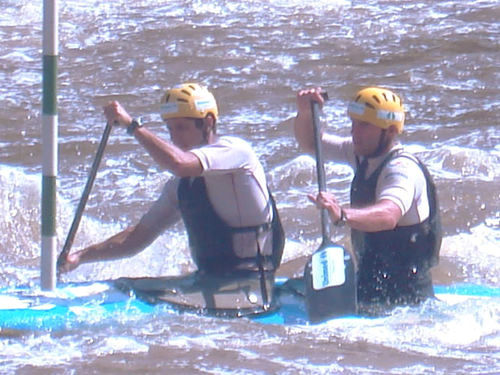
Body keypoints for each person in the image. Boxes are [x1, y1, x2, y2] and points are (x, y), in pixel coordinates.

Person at [58, 83, 284, 306]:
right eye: (170, 129)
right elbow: (136, 238)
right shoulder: (181, 187)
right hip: (208, 281)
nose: (175, 138)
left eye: (182, 128)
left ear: (208, 123)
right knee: (124, 286)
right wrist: (79, 257)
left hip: (252, 286)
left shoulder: (237, 153)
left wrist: (132, 126)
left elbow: (179, 163)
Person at [293, 86, 441, 310]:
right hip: (369, 290)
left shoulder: (402, 170)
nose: (355, 132)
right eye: (353, 123)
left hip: (407, 304)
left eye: (364, 125)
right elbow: (312, 144)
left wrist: (341, 214)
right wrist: (304, 112)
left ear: (390, 131)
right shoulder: (361, 153)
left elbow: (388, 215)